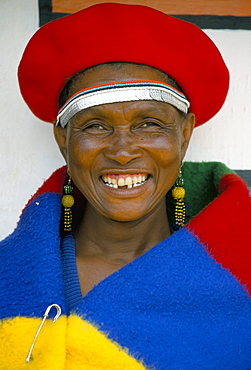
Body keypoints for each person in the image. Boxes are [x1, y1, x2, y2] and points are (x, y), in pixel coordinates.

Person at [0, 3, 251, 369]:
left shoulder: (241, 277)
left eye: (149, 124)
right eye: (95, 126)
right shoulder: (6, 275)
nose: (122, 151)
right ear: (62, 139)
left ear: (184, 134)